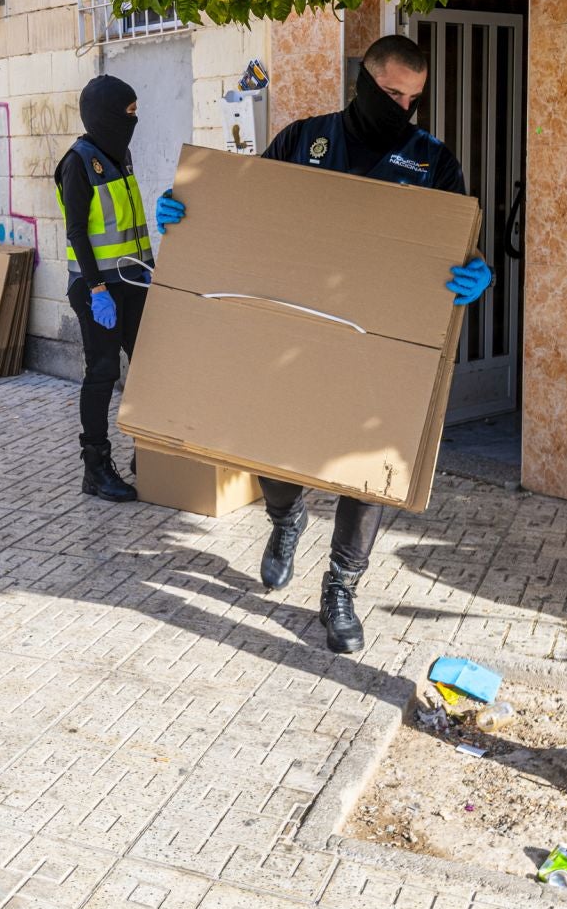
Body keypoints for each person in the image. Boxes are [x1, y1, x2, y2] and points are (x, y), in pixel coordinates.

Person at [155, 35, 493, 654]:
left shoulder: (432, 159)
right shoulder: (304, 140)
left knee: (364, 475)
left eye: (414, 98)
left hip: (377, 344)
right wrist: (191, 212)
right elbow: (247, 207)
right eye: (391, 93)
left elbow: (456, 243)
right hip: (293, 334)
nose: (402, 107)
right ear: (361, 83)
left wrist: (477, 270)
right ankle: (285, 517)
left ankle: (340, 587)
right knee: (269, 448)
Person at [55, 74, 158, 502]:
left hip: (134, 281)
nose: (134, 119)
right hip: (98, 289)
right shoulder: (78, 162)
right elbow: (78, 232)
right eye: (128, 112)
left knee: (150, 367)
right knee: (102, 373)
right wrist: (97, 289)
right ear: (105, 114)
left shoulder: (120, 154)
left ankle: (150, 449)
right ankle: (95, 467)